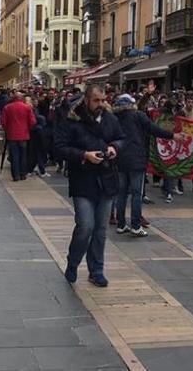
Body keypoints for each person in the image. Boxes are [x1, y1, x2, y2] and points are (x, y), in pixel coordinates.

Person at [54, 85, 126, 288]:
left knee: (101, 229)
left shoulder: (110, 118)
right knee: (86, 225)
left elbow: (121, 138)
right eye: (97, 100)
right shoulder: (71, 119)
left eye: (103, 100)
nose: (101, 104)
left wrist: (114, 148)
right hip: (83, 180)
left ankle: (96, 270)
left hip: (107, 178)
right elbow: (59, 148)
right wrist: (83, 155)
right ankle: (73, 261)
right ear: (86, 100)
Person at [113, 94, 178, 237]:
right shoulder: (138, 116)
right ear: (131, 104)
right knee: (137, 194)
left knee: (122, 193)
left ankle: (121, 224)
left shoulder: (115, 118)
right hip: (136, 158)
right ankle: (135, 225)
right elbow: (153, 129)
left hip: (120, 158)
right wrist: (172, 136)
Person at [1, 90, 37, 182]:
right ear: (22, 98)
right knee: (23, 155)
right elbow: (33, 122)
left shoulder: (7, 108)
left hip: (12, 135)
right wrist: (27, 128)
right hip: (24, 135)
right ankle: (22, 174)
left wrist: (7, 129)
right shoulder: (27, 108)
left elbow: (3, 122)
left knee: (14, 156)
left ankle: (15, 175)